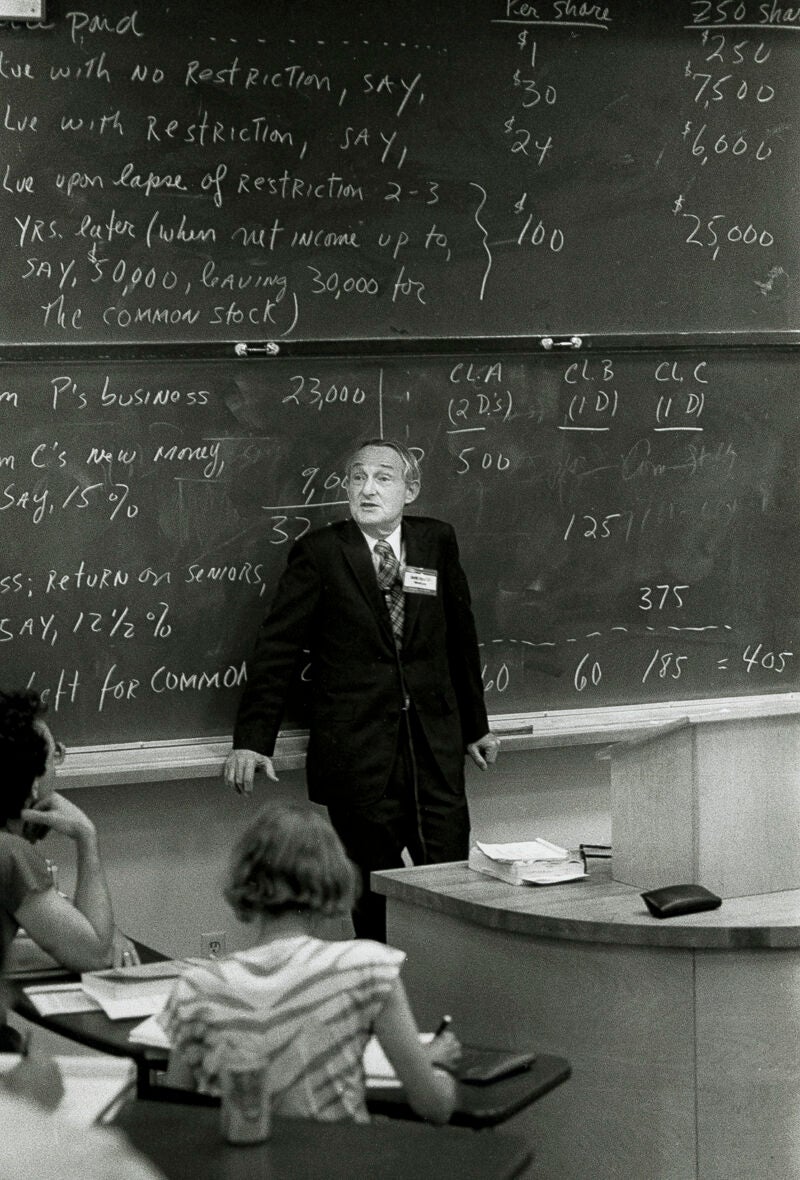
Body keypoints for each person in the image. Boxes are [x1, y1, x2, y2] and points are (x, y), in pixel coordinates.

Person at [225, 438, 500, 940]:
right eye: (356, 478)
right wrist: (252, 738)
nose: (367, 489)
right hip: (358, 755)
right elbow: (278, 650)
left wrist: (475, 726)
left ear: (410, 489)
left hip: (433, 752)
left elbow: (461, 638)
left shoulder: (437, 541)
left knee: (451, 888)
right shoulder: (321, 553)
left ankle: (443, 997)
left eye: (383, 478)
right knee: (373, 897)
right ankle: (380, 995)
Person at [160, 800, 461, 1124]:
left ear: (247, 879)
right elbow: (435, 1107)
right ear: (334, 879)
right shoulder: (366, 968)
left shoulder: (197, 987)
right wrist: (437, 1064)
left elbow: (177, 1116)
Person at [0, 689, 139, 1050]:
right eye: (52, 756)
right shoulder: (9, 853)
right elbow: (94, 954)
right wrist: (86, 837)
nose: (58, 765)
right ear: (32, 781)